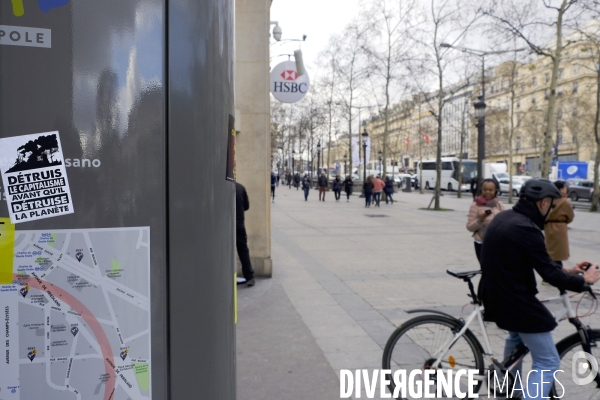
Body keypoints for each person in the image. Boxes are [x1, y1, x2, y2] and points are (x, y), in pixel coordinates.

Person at [478, 179, 600, 399]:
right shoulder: (526, 228)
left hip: (497, 296)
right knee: (548, 360)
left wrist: (570, 271)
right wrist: (585, 282)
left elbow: (541, 263)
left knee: (515, 340)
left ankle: (510, 391)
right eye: (551, 205)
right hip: (515, 301)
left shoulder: (506, 218)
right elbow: (550, 275)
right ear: (543, 202)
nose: (551, 210)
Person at [466, 179, 505, 263]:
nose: (487, 192)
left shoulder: (499, 205)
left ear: (496, 191)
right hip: (482, 243)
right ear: (481, 190)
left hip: (497, 243)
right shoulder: (475, 206)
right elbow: (469, 227)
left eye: (490, 190)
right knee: (487, 270)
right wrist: (481, 219)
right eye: (485, 190)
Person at [544, 180, 574, 267]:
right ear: (560, 189)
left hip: (548, 226)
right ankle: (556, 274)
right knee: (558, 253)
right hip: (560, 228)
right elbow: (570, 216)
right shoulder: (564, 202)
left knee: (550, 250)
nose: (566, 189)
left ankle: (549, 274)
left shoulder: (548, 199)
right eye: (564, 187)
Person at [235, 182, 255, 287]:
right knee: (243, 251)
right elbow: (246, 206)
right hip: (239, 225)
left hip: (225, 226)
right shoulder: (240, 187)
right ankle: (249, 277)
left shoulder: (221, 188)